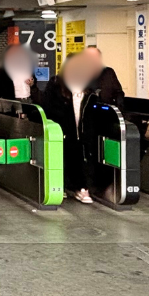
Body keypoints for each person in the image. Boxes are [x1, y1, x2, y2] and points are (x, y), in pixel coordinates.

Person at [41, 52, 101, 204]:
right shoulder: (56, 86)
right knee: (63, 157)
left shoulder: (90, 89)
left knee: (81, 158)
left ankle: (81, 188)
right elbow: (47, 108)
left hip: (82, 132)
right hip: (63, 131)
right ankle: (60, 186)